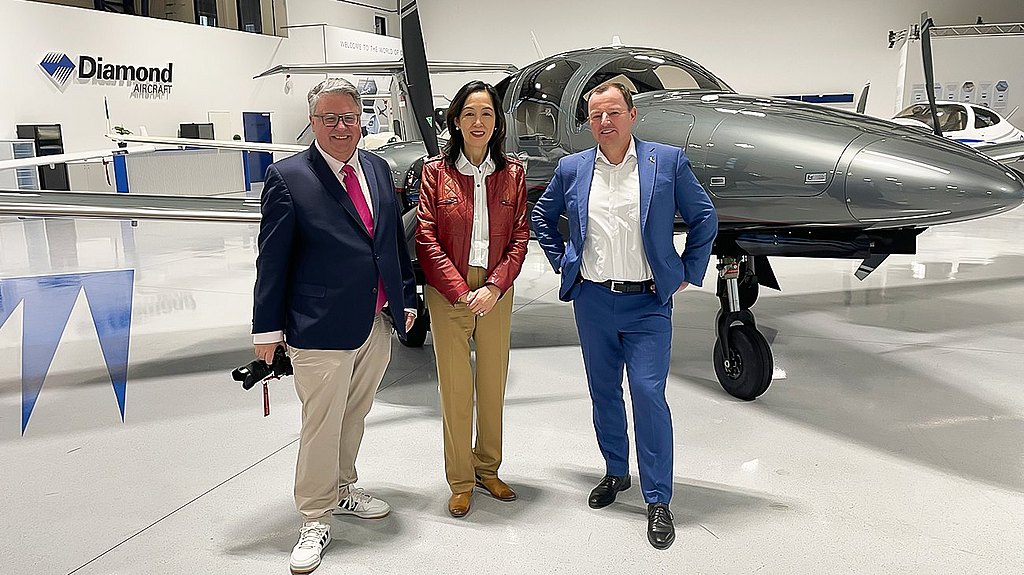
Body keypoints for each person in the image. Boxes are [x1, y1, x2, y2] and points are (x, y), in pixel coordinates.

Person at [531, 81, 717, 549]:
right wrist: (565, 263)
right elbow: (541, 218)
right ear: (588, 122)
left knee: (648, 394)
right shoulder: (573, 167)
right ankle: (616, 472)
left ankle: (658, 499)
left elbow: (704, 217)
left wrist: (685, 272)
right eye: (596, 116)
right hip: (592, 301)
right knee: (603, 392)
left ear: (633, 115)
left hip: (648, 303)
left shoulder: (666, 162)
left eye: (613, 112)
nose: (605, 122)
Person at [251, 77, 418, 574]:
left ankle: (344, 488)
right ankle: (314, 516)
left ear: (362, 119)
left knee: (354, 415)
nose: (342, 127)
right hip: (319, 324)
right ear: (313, 121)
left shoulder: (377, 167)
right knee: (320, 425)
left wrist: (404, 297)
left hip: (376, 321)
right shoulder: (288, 177)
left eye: (349, 117)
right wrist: (267, 332)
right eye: (330, 118)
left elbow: (389, 242)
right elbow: (272, 260)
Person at [416, 80, 530, 517]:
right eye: (469, 114)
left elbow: (520, 236)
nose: (478, 122)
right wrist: (462, 291)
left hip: (496, 288)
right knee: (456, 390)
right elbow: (426, 238)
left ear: (497, 122)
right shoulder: (435, 172)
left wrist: (496, 287)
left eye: (486, 113)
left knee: (492, 385)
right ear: (456, 121)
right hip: (450, 290)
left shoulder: (513, 173)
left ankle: (489, 468)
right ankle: (461, 480)